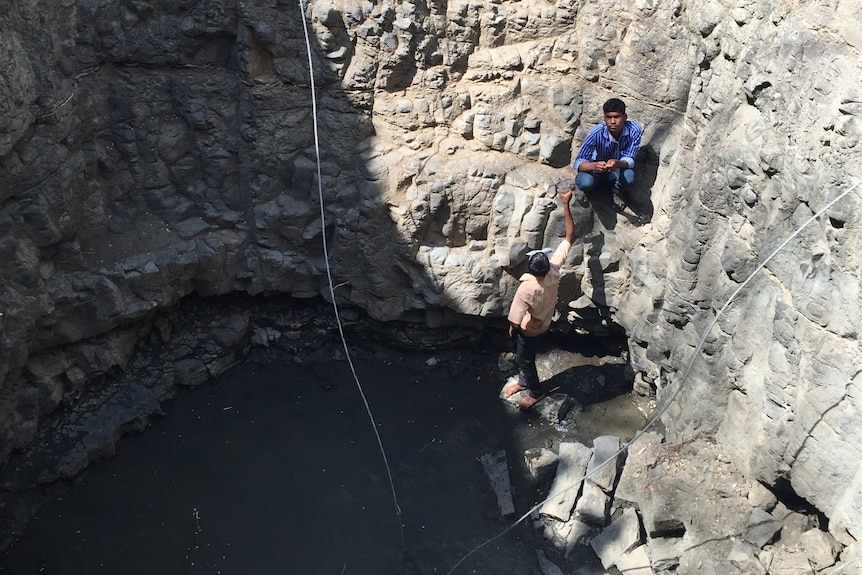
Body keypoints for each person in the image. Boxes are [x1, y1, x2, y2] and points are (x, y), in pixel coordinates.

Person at [503, 182, 576, 410]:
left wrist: (513, 330)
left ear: (531, 269)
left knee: (525, 358)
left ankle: (535, 391)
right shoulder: (553, 268)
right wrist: (566, 204)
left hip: (529, 328)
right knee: (529, 353)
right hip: (545, 322)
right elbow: (569, 236)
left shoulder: (526, 288)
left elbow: (515, 320)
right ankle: (525, 380)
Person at [572, 98, 643, 210]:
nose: (613, 122)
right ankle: (585, 190)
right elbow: (579, 161)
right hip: (596, 168)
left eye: (617, 117)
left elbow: (630, 159)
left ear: (624, 117)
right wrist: (594, 166)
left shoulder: (634, 130)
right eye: (609, 117)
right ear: (604, 118)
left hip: (617, 169)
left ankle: (616, 191)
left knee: (629, 177)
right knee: (585, 182)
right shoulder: (596, 133)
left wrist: (617, 163)